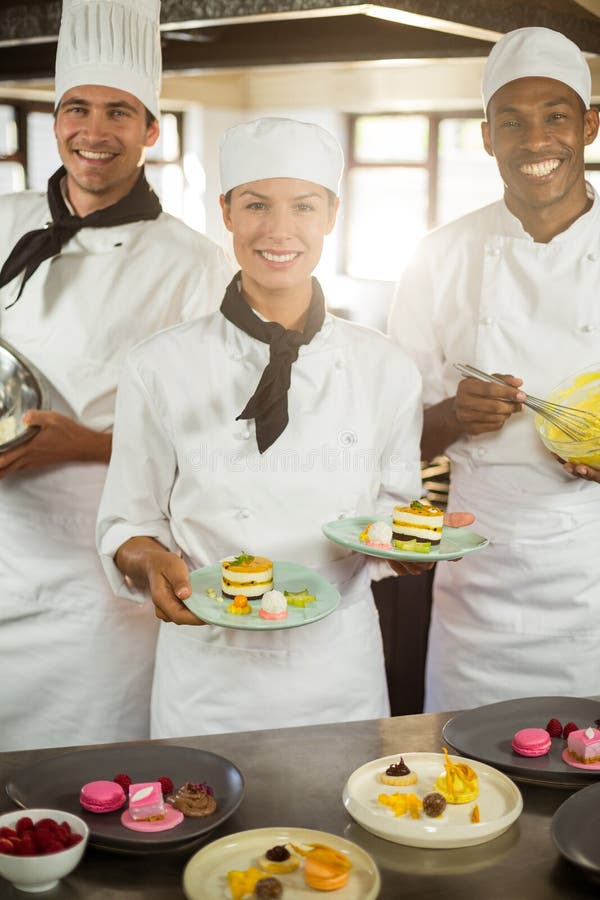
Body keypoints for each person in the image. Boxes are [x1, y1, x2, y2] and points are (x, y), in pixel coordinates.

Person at [97, 116, 471, 738]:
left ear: (331, 213)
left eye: (303, 206)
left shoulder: (385, 367)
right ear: (226, 212)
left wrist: (409, 546)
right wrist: (144, 558)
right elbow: (127, 520)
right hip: (207, 672)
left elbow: (392, 510)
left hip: (338, 673)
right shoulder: (159, 364)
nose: (278, 230)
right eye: (255, 205)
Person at [0, 0, 232, 751]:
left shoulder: (195, 264)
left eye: (119, 113)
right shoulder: (5, 220)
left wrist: (82, 445)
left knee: (85, 773)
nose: (93, 133)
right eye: (77, 109)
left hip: (100, 571)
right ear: (57, 116)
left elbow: (216, 432)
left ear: (150, 131)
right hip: (4, 545)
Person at [388, 26, 600, 712]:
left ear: (591, 125)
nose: (536, 141)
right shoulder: (437, 257)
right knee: (463, 775)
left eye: (556, 117)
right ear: (487, 138)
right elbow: (391, 439)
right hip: (479, 580)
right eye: (512, 122)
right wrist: (451, 416)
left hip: (593, 583)